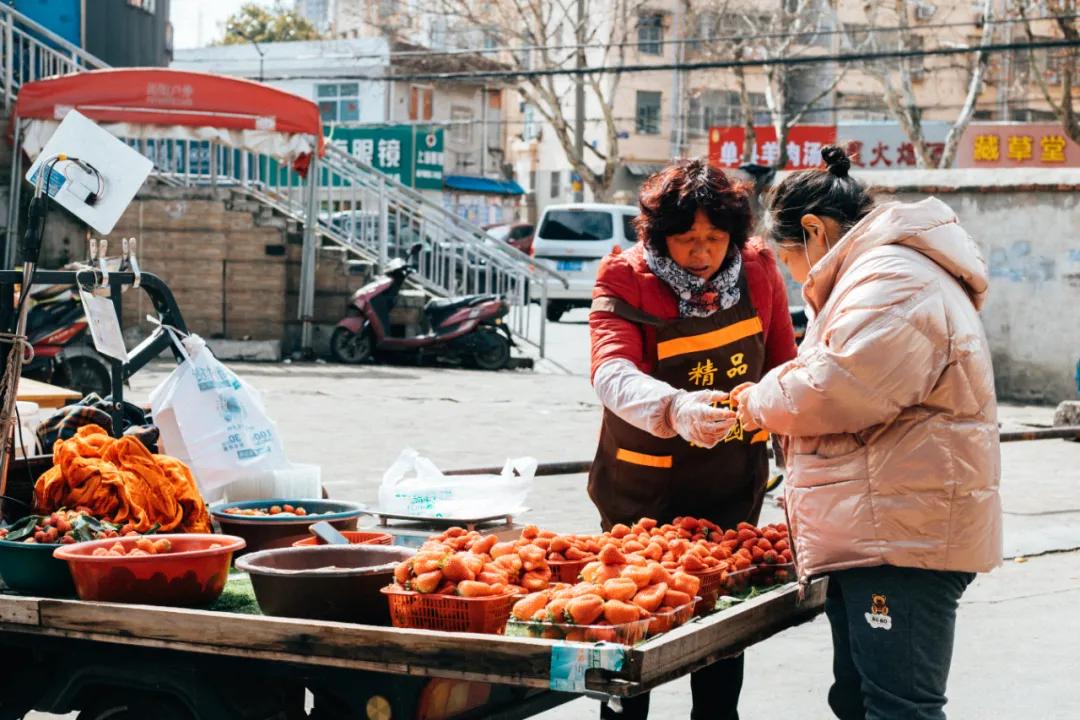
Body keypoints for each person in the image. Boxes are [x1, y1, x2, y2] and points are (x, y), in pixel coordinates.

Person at [732, 145, 1003, 720]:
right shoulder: (880, 271)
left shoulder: (893, 275)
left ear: (812, 230)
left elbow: (836, 385)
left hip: (902, 540)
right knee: (857, 698)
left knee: (898, 708)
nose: (793, 273)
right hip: (882, 530)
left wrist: (757, 402)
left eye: (788, 258)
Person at [588, 158, 797, 719]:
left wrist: (795, 455)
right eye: (686, 240)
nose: (702, 253)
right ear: (660, 238)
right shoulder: (623, 276)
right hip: (641, 494)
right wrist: (674, 407)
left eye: (714, 238)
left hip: (730, 488)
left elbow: (783, 368)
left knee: (722, 639)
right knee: (632, 634)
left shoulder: (757, 270)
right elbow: (610, 372)